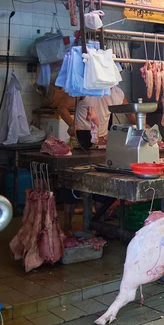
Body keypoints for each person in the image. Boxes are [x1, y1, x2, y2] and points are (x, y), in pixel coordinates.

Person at [56, 86, 136, 231]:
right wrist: (72, 124)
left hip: (101, 143)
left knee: (101, 183)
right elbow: (62, 108)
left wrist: (139, 125)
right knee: (72, 182)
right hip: (80, 141)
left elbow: (130, 111)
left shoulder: (117, 92)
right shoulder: (85, 87)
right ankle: (67, 226)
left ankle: (100, 226)